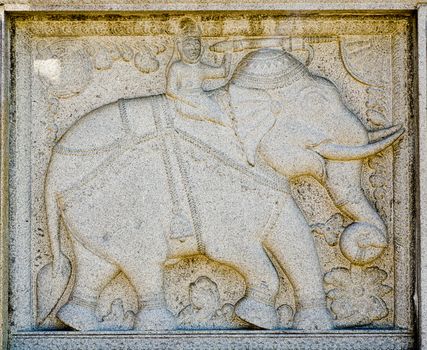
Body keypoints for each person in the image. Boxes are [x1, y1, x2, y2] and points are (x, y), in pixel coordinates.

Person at [166, 18, 231, 127]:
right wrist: (189, 101)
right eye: (189, 45)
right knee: (221, 118)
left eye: (196, 45)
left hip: (201, 99)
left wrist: (228, 52)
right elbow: (170, 91)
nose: (193, 49)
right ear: (180, 47)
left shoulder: (201, 68)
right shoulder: (177, 67)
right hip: (185, 103)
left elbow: (223, 72)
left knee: (224, 109)